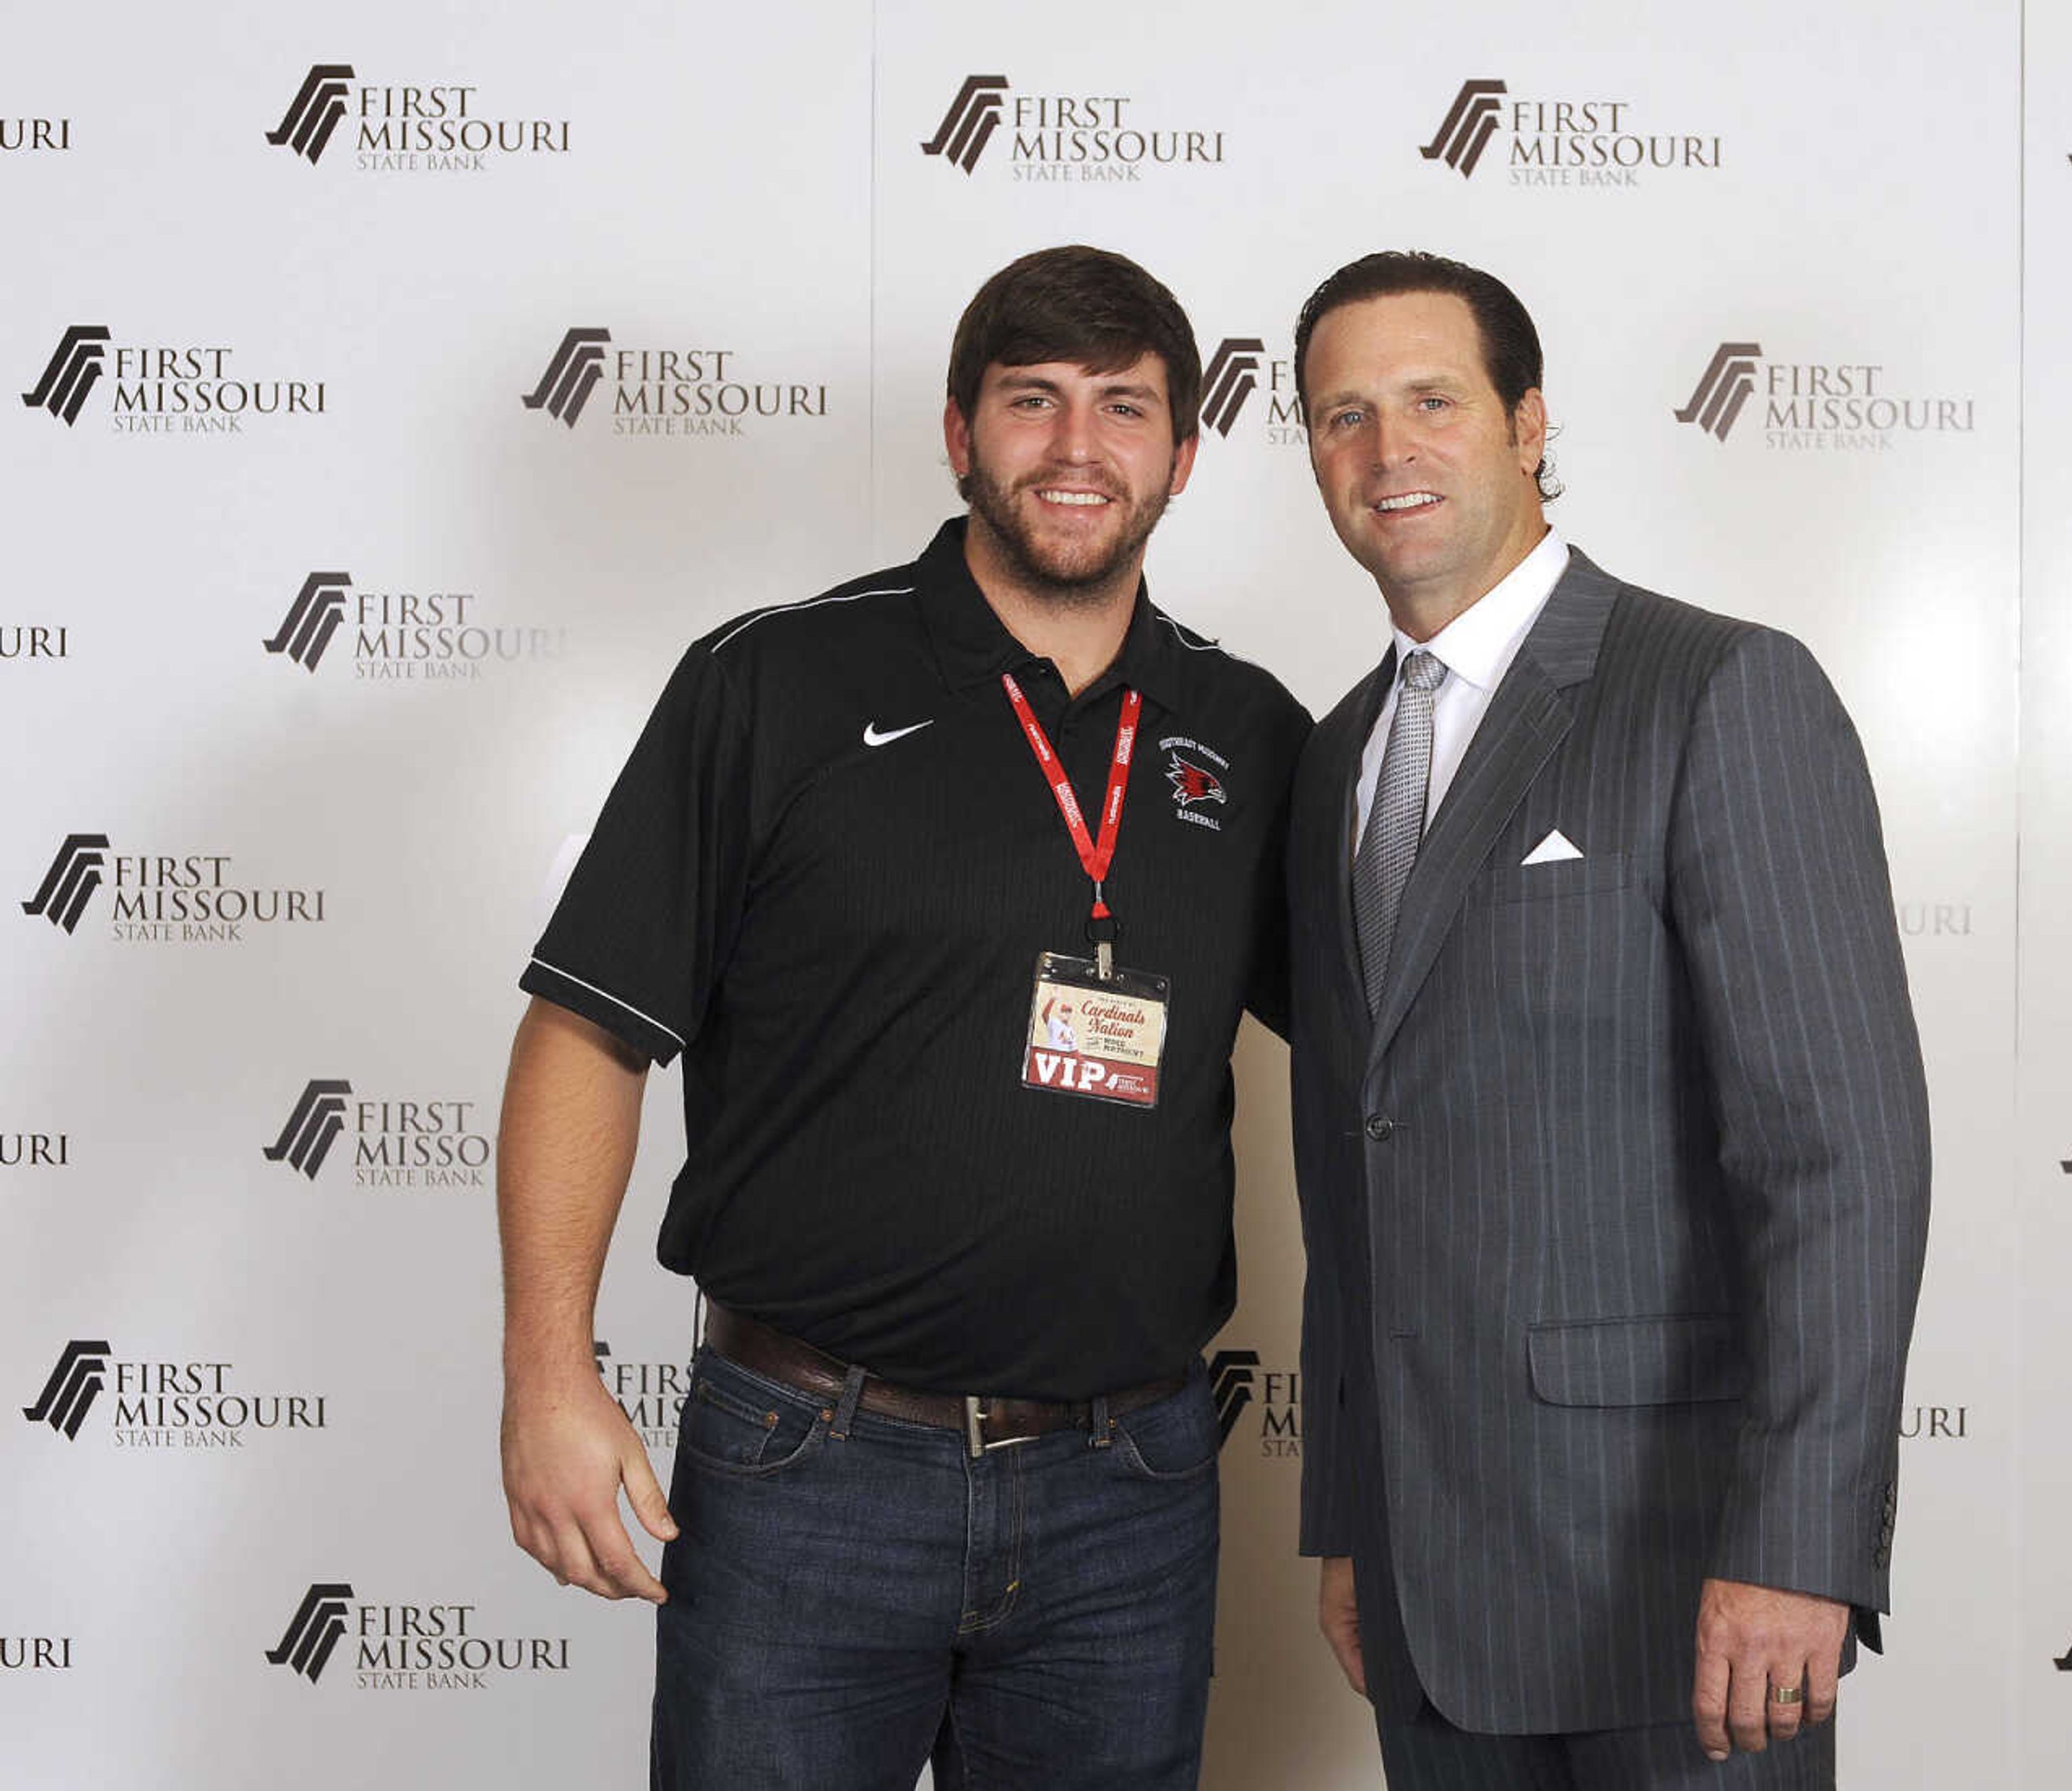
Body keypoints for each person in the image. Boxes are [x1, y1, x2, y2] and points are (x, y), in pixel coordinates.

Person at [494, 244, 1310, 1790]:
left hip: (1128, 1489)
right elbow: (586, 1031)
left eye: (1125, 407)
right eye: (1032, 400)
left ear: (1186, 454)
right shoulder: (775, 682)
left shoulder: (1251, 735)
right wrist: (548, 1373)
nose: (1079, 448)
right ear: (958, 432)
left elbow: (1398, 1053)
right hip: (811, 1465)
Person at [1283, 250, 1930, 1788]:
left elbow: (1841, 1158)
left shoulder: (1720, 691)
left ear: (1528, 422)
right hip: (1429, 1589)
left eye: (1432, 400)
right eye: (1342, 416)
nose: (1389, 452)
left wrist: (1801, 1542)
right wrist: (1351, 1521)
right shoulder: (1336, 762)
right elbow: (1350, 1162)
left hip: (1681, 1584)